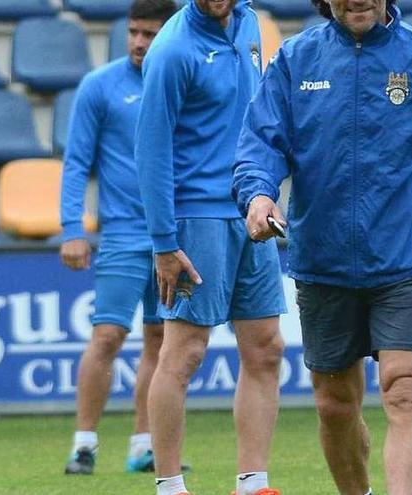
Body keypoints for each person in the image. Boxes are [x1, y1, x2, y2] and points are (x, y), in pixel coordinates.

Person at [231, 0, 412, 493]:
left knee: (405, 390)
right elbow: (261, 143)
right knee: (334, 407)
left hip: (407, 260)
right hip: (323, 260)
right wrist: (258, 194)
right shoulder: (295, 60)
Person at [134, 1, 286, 494]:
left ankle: (253, 483)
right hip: (196, 214)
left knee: (265, 348)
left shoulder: (249, 24)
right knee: (184, 352)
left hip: (251, 206)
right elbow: (151, 148)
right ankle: (170, 485)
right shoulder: (173, 49)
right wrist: (163, 242)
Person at [60, 0, 179, 476]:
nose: (138, 43)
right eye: (133, 32)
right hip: (124, 235)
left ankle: (142, 445)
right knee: (107, 335)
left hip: (174, 234)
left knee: (159, 339)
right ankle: (84, 444)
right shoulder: (99, 86)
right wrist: (73, 228)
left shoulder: (180, 84)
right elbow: (76, 164)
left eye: (150, 34)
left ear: (169, 36)